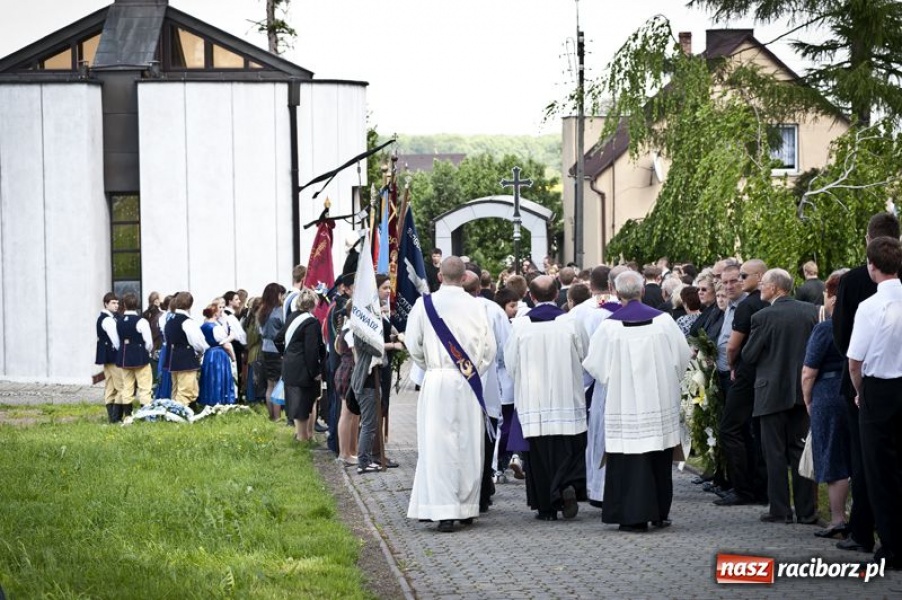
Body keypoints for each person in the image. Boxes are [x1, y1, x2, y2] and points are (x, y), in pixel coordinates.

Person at [583, 270, 691, 531]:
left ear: (616, 293)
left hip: (623, 402)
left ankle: (631, 516)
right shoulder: (665, 322)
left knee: (626, 458)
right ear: (642, 291)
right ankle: (658, 512)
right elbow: (682, 359)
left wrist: (617, 378)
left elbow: (595, 366)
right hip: (658, 401)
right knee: (657, 455)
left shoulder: (609, 327)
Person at [406, 257, 496, 533]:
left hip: (437, 380)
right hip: (467, 381)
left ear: (440, 274)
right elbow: (489, 349)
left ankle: (442, 510)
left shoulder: (425, 304)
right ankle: (466, 507)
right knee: (469, 444)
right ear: (465, 277)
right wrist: (472, 370)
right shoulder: (478, 306)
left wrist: (431, 366)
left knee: (437, 445)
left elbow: (413, 344)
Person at [832, 211, 900, 555]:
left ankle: (864, 530)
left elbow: (844, 339)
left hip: (871, 383)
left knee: (868, 462)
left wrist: (857, 386)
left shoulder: (856, 284)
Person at [505, 275, 589, 521]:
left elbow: (511, 364)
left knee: (539, 457)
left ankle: (546, 507)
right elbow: (585, 355)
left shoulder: (520, 326)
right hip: (567, 398)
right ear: (556, 295)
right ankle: (565, 487)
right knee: (567, 450)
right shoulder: (570, 323)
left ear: (531, 297)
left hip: (534, 401)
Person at [741, 269, 819, 525]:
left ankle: (780, 509)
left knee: (773, 453)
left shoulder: (763, 317)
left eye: (763, 284)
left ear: (775, 288)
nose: (760, 288)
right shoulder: (811, 312)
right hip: (802, 390)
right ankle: (807, 512)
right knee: (799, 449)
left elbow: (749, 355)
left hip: (770, 391)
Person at [847, 235, 902, 570]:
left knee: (880, 471)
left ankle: (893, 547)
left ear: (872, 266)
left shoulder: (870, 306)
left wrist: (859, 391)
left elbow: (855, 361)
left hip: (879, 389)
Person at [801, 269, 852, 538]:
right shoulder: (863, 322)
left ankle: (837, 519)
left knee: (833, 456)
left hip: (828, 394)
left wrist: (807, 399)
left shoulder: (825, 329)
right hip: (855, 391)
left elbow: (809, 371)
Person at [276, 288, 325, 442]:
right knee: (305, 404)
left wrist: (287, 354)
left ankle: (302, 436)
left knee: (297, 404)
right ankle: (304, 438)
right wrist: (315, 371)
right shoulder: (311, 322)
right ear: (314, 303)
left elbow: (278, 339)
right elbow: (311, 350)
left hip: (290, 367)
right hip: (304, 369)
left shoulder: (292, 318)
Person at [164, 292, 209, 408]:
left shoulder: (169, 320)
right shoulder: (187, 321)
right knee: (186, 390)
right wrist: (201, 352)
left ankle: (189, 412)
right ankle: (178, 417)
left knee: (177, 389)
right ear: (190, 305)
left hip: (173, 359)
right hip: (186, 359)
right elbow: (198, 342)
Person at [116, 293, 154, 412]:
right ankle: (145, 414)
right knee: (144, 387)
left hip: (124, 357)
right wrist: (146, 352)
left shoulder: (119, 321)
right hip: (140, 357)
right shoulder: (142, 321)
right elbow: (149, 343)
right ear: (137, 305)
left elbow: (118, 341)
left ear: (124, 305)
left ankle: (127, 415)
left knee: (127, 386)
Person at [198, 298, 236, 407]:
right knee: (219, 376)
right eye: (219, 309)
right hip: (219, 354)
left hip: (209, 353)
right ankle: (220, 400)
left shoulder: (203, 326)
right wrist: (233, 358)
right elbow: (226, 345)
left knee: (210, 378)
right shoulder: (216, 328)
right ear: (214, 313)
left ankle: (208, 400)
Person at [257, 283, 286, 421]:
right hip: (277, 350)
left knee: (269, 384)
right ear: (277, 295)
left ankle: (271, 416)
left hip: (265, 348)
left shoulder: (262, 311)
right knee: (278, 385)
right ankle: (277, 417)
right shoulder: (279, 311)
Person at [95, 292, 124, 423]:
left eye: (117, 303)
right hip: (113, 356)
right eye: (113, 303)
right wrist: (122, 352)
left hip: (108, 356)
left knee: (111, 386)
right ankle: (115, 417)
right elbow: (116, 340)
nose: (116, 305)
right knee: (121, 386)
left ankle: (112, 418)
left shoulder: (108, 317)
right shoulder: (108, 319)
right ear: (106, 304)